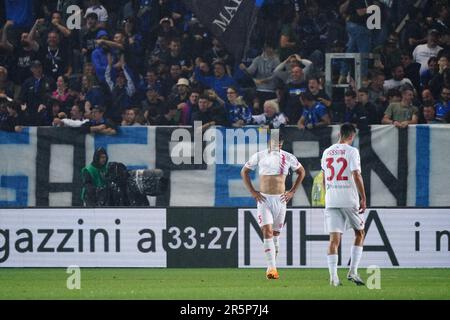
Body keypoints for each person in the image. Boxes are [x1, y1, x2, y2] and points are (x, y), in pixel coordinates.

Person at [241, 130, 305, 280]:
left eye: (280, 143)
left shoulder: (288, 157)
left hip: (281, 200)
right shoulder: (260, 155)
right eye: (275, 142)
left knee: (276, 236)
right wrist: (253, 192)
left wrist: (292, 191)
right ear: (269, 142)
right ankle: (271, 268)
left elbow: (301, 172)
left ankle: (273, 265)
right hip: (264, 200)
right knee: (267, 232)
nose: (277, 145)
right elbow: (244, 172)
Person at [321, 124, 367, 287]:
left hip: (331, 199)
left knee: (334, 239)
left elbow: (324, 176)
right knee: (360, 233)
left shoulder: (327, 152)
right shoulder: (352, 151)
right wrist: (363, 197)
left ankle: (333, 277)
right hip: (349, 198)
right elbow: (356, 174)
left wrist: (327, 196)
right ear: (352, 136)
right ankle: (352, 271)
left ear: (339, 134)